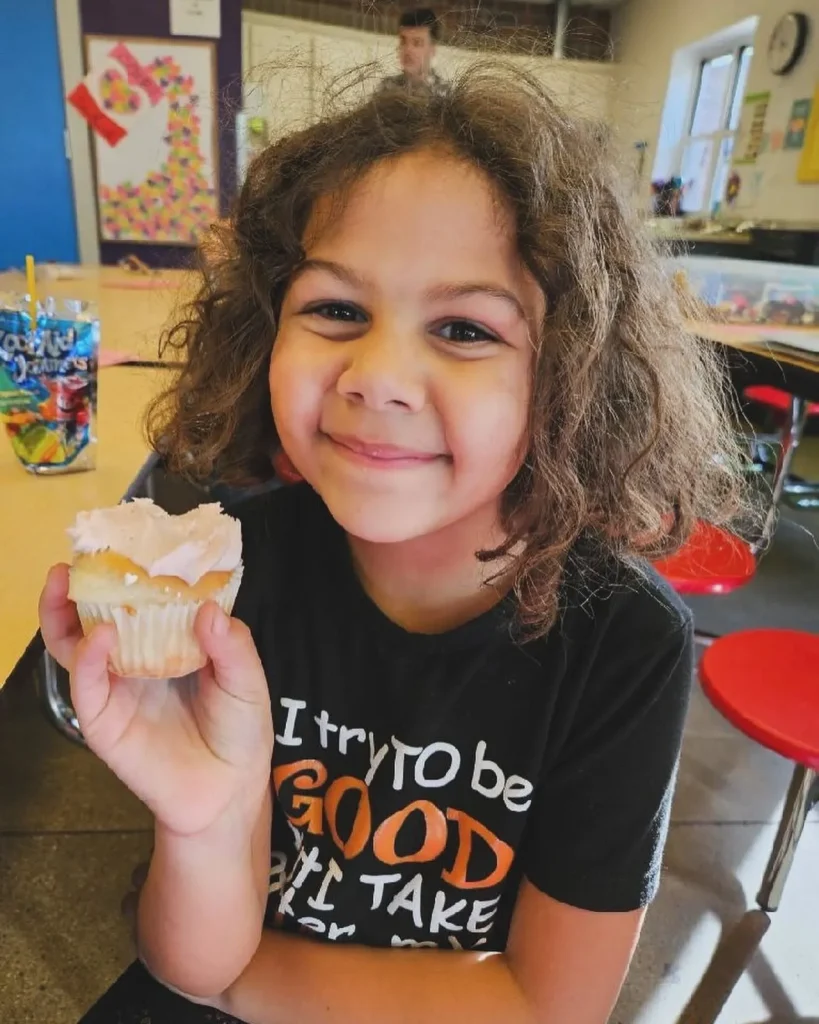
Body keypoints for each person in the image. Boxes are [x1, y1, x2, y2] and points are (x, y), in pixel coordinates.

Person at [40, 64, 747, 1024]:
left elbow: (547, 1007)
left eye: (463, 327)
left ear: (572, 377)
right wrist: (201, 821)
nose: (377, 376)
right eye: (335, 310)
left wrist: (237, 982)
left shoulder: (622, 641)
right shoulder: (222, 572)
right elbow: (188, 959)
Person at [379, 8, 448, 97]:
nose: (408, 49)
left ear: (432, 49)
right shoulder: (387, 88)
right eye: (403, 41)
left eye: (417, 43)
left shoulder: (445, 95)